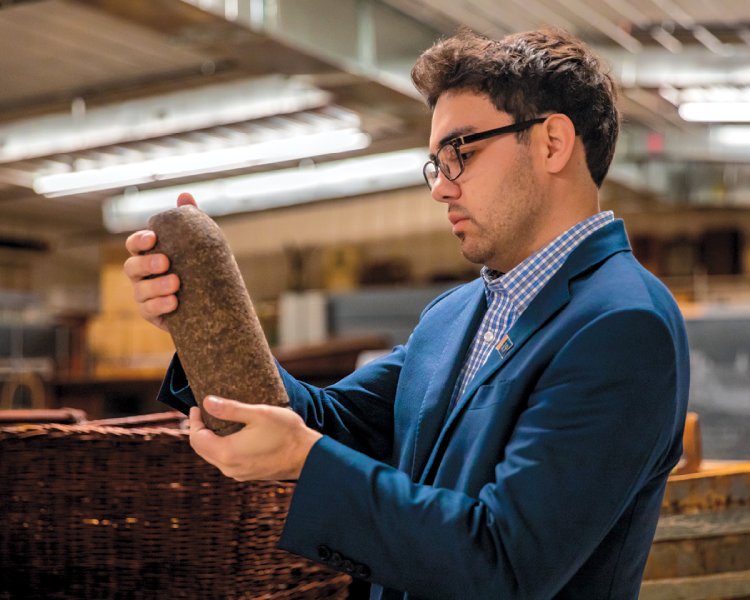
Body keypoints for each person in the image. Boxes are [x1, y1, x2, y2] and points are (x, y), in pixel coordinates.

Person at [124, 27, 690, 600]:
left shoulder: (621, 326)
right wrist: (198, 320)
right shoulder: (454, 315)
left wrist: (308, 460)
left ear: (552, 143)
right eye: (435, 163)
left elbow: (506, 565)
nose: (441, 188)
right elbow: (326, 420)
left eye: (460, 153)